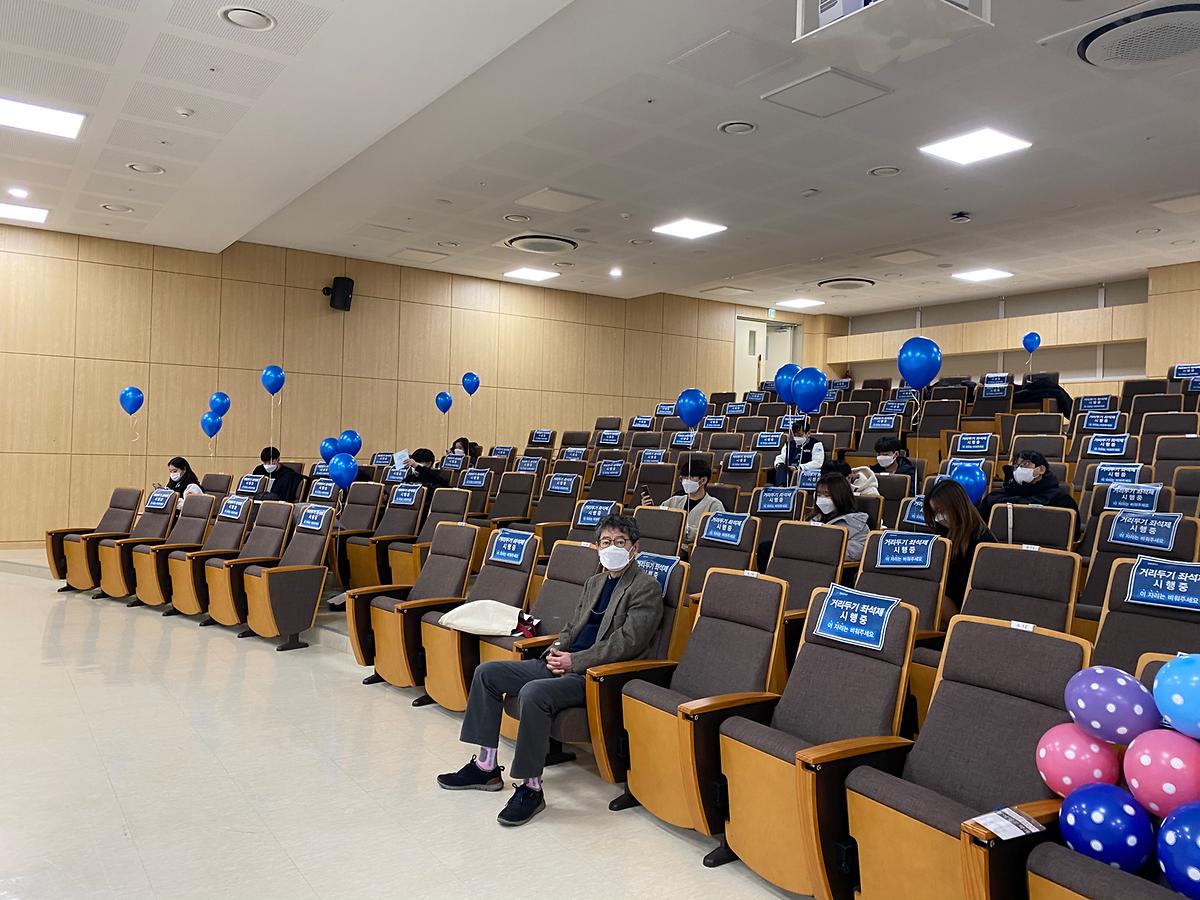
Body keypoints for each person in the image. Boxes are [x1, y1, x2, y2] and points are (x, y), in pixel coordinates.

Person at [437, 514, 664, 826]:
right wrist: (555, 651)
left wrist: (575, 661)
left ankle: (531, 788)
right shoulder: (595, 582)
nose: (612, 548)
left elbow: (627, 643)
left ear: (634, 548)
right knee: (487, 673)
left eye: (620, 542)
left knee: (533, 693)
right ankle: (486, 767)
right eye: (606, 542)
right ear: (598, 547)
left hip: (593, 676)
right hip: (563, 662)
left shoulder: (645, 588)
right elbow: (572, 627)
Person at [924, 479, 997, 621]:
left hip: (967, 608)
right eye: (935, 513)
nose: (938, 518)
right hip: (948, 599)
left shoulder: (982, 542)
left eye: (940, 511)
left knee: (931, 592)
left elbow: (969, 588)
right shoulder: (946, 533)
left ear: (956, 506)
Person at [979, 450, 1080, 536]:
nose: (1019, 469)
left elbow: (1073, 534)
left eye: (1025, 464)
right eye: (1016, 466)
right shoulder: (998, 496)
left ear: (1041, 469)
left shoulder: (1060, 498)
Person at [641, 458, 724, 545]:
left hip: (688, 549)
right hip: (665, 545)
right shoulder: (674, 501)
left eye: (690, 477)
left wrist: (682, 531)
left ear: (703, 480)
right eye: (683, 478)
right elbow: (657, 521)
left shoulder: (714, 505)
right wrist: (647, 510)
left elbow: (714, 534)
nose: (685, 481)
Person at [808, 473, 869, 562]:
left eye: (827, 495)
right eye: (819, 495)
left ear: (841, 496)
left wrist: (821, 546)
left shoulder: (857, 524)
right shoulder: (815, 519)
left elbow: (858, 552)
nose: (822, 499)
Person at [772, 416, 824, 486]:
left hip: (804, 473)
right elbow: (781, 457)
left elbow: (817, 463)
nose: (797, 438)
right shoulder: (789, 444)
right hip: (788, 472)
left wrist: (799, 467)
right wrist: (778, 464)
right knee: (781, 467)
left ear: (808, 433)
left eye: (799, 435)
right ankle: (781, 487)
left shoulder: (816, 444)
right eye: (795, 435)